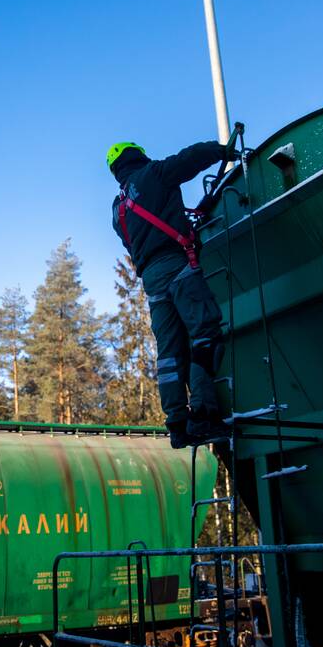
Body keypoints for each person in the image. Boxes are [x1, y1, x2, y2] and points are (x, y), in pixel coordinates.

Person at [107, 140, 236, 448]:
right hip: (177, 265)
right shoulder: (153, 174)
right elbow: (189, 159)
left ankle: (177, 425)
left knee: (169, 353)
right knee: (205, 333)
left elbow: (136, 242)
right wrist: (221, 151)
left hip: (151, 281)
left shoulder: (117, 209)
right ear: (138, 155)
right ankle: (204, 415)